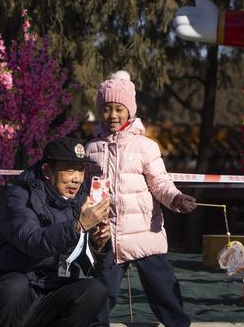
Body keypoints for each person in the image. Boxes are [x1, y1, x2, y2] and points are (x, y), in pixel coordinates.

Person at [86, 70, 198, 327]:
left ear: (130, 110)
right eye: (106, 109)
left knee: (164, 290)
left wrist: (176, 199)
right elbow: (89, 192)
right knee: (102, 292)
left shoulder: (145, 146)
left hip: (145, 231)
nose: (112, 116)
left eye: (119, 109)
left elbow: (160, 183)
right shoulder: (92, 149)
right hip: (108, 234)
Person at [0, 137, 112, 327]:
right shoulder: (19, 197)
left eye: (81, 169)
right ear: (47, 171)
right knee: (15, 285)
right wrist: (78, 227)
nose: (77, 178)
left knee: (94, 290)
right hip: (4, 294)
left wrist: (98, 245)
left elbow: (91, 268)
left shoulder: (81, 201)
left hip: (50, 290)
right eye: (69, 169)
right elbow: (33, 242)